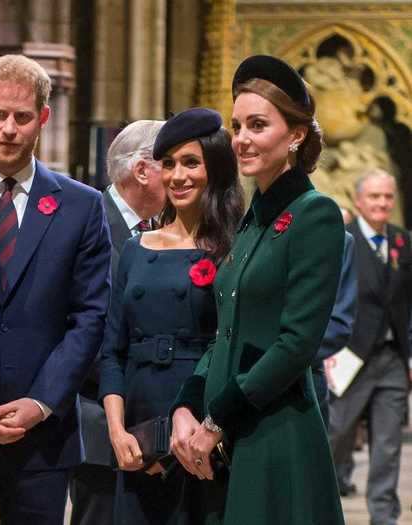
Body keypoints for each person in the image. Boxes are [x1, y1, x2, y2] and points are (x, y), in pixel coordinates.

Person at [0, 54, 111, 525]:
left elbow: (90, 316)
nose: (9, 129)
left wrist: (40, 402)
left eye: (22, 117)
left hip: (41, 438)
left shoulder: (81, 207)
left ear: (43, 119)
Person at [171, 55, 346, 525]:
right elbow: (225, 331)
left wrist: (216, 419)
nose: (242, 138)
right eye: (237, 126)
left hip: (274, 432)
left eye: (257, 125)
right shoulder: (250, 219)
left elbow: (296, 344)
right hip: (225, 430)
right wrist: (186, 406)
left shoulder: (316, 214)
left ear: (296, 135)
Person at [98, 108, 243, 525]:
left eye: (191, 163)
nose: (177, 176)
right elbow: (113, 349)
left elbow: (235, 346)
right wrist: (117, 430)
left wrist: (208, 429)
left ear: (215, 169)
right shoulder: (136, 248)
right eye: (169, 164)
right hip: (139, 427)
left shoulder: (236, 247)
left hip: (205, 423)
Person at [70, 119, 165, 525]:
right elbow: (77, 327)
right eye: (172, 163)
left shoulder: (165, 231)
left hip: (157, 421)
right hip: (98, 416)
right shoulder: (84, 221)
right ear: (143, 170)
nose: (181, 175)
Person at [329, 168, 412, 525]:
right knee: (338, 437)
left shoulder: (402, 241)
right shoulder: (340, 239)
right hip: (349, 356)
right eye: (375, 196)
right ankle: (324, 508)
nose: (382, 203)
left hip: (393, 357)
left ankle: (384, 517)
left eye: (388, 197)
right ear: (359, 201)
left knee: (388, 446)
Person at [312, 230, 356, 428]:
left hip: (306, 377)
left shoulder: (339, 239)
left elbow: (339, 324)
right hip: (245, 380)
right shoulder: (249, 231)